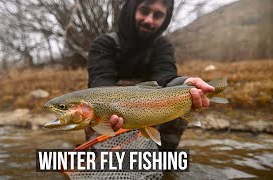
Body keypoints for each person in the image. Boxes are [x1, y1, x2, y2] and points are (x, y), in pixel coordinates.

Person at [87, 0, 214, 149]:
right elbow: (100, 84)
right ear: (132, 10)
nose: (149, 20)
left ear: (165, 19)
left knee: (178, 105)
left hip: (155, 112)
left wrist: (183, 84)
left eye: (158, 15)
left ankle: (163, 157)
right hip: (113, 116)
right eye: (144, 11)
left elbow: (165, 77)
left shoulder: (163, 46)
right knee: (94, 115)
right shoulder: (104, 44)